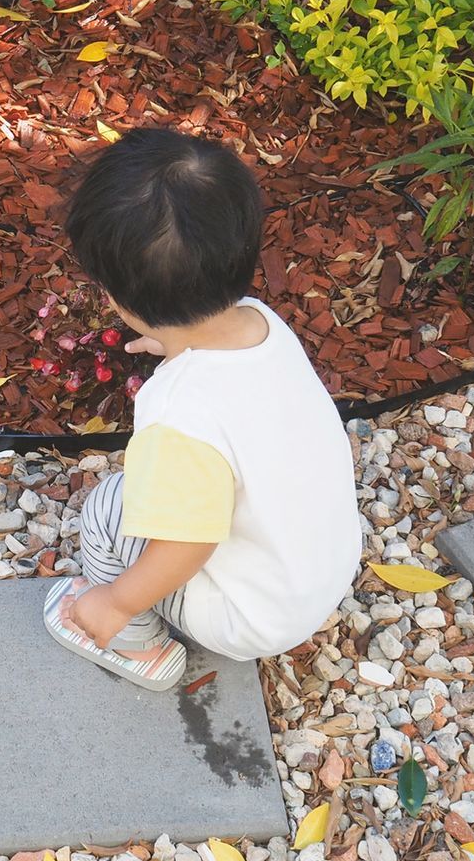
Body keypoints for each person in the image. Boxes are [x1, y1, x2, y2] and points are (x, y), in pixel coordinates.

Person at [45, 127, 362, 690]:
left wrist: (116, 601)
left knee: (106, 510)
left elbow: (188, 543)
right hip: (322, 567)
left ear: (118, 298)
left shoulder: (176, 410)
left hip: (251, 617)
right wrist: (174, 344)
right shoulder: (260, 322)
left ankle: (133, 640)